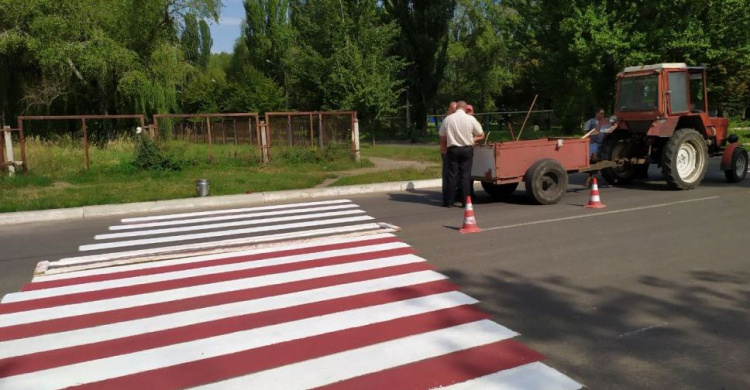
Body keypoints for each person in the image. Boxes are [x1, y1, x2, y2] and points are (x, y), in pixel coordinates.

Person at [439, 101, 485, 207]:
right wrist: (473, 139)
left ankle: (448, 202)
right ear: (465, 108)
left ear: (457, 108)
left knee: (452, 175)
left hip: (453, 149)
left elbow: (442, 136)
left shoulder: (448, 119)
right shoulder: (470, 119)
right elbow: (481, 134)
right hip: (467, 149)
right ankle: (466, 202)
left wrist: (444, 148)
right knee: (465, 176)